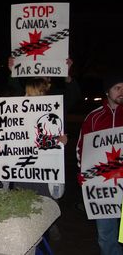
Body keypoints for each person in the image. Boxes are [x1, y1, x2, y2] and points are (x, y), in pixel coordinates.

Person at [76, 74, 123, 255]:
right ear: (107, 91)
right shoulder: (93, 118)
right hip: (103, 187)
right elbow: (82, 149)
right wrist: (84, 174)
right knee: (106, 235)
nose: (121, 92)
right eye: (117, 88)